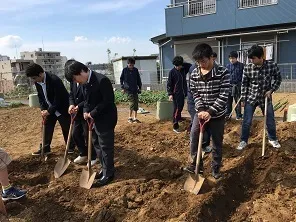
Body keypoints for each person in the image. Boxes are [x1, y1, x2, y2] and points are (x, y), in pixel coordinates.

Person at [65, 61, 117, 187]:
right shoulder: (84, 82)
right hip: (92, 119)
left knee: (105, 147)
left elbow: (108, 101)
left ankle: (109, 174)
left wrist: (92, 113)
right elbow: (86, 100)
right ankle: (104, 169)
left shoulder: (102, 80)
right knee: (97, 145)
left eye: (75, 78)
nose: (76, 82)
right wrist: (85, 111)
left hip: (105, 119)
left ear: (81, 72)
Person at [184, 43, 230, 179]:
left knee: (217, 142)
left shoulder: (223, 72)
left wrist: (210, 111)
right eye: (198, 62)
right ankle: (196, 165)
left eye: (203, 61)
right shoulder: (194, 73)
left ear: (211, 58)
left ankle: (215, 169)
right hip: (201, 113)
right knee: (194, 136)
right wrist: (201, 110)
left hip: (217, 114)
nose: (201, 64)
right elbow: (195, 93)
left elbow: (224, 95)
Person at [237, 45, 282, 150]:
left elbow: (278, 78)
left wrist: (271, 90)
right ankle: (243, 141)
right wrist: (243, 99)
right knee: (246, 121)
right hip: (251, 97)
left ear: (261, 57)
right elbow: (244, 84)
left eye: (253, 58)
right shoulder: (248, 67)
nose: (251, 60)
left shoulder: (271, 66)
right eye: (250, 58)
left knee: (270, 119)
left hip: (265, 98)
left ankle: (272, 139)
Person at [25, 63, 75, 155]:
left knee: (66, 127)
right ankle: (45, 148)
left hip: (62, 108)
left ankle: (70, 147)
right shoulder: (38, 82)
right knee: (46, 127)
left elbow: (59, 99)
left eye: (34, 78)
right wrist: (43, 109)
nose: (33, 81)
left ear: (40, 74)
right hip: (49, 109)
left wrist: (49, 111)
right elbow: (40, 97)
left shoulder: (54, 80)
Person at [65, 60, 98, 166]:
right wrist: (71, 104)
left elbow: (88, 99)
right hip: (76, 112)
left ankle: (93, 156)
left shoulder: (84, 80)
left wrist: (79, 106)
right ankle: (83, 153)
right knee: (75, 133)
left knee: (87, 134)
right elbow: (71, 95)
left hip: (85, 111)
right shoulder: (73, 81)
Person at [187, 63, 212, 153]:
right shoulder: (193, 81)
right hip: (194, 106)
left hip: (207, 109)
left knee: (207, 127)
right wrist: (200, 109)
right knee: (195, 130)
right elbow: (195, 96)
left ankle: (204, 145)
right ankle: (195, 153)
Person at [167, 56, 191, 133]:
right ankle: (175, 125)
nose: (177, 67)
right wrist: (170, 94)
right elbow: (169, 84)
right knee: (177, 109)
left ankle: (179, 118)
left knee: (181, 107)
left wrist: (182, 63)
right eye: (176, 66)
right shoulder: (172, 72)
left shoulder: (183, 69)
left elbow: (190, 65)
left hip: (183, 92)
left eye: (179, 65)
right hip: (176, 93)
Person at [120, 57, 142, 123]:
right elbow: (121, 79)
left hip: (135, 89)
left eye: (132, 65)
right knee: (132, 103)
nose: (131, 66)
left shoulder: (135, 70)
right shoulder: (124, 70)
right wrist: (123, 87)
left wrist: (140, 87)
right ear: (128, 64)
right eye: (130, 65)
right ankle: (129, 118)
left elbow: (138, 79)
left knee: (136, 104)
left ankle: (135, 118)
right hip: (128, 89)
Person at [226, 51, 244, 120]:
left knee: (238, 101)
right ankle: (228, 115)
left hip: (238, 86)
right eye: (230, 58)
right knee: (228, 102)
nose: (232, 60)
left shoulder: (241, 66)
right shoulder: (227, 66)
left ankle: (238, 115)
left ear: (236, 58)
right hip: (229, 86)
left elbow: (244, 77)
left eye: (233, 58)